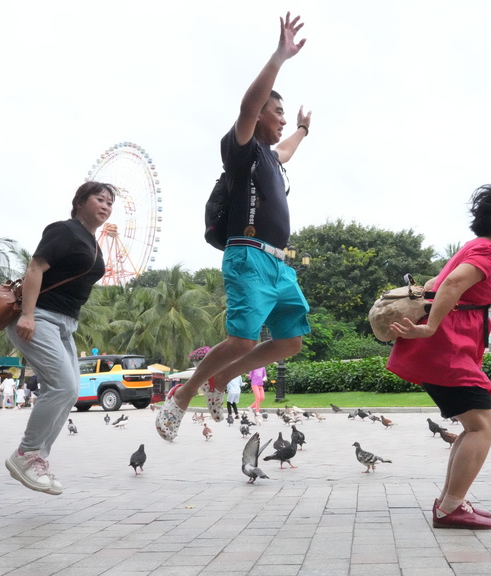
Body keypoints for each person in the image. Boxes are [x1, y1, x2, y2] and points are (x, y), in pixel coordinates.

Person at [155, 13, 312, 442]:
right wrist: (279, 57)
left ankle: (220, 379)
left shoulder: (271, 158)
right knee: (242, 340)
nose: (282, 120)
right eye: (277, 112)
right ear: (259, 115)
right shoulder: (242, 151)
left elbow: (287, 150)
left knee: (291, 341)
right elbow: (247, 108)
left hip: (279, 266)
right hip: (248, 256)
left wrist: (303, 129)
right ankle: (183, 394)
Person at [387, 185, 491, 530]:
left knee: (476, 426)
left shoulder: (472, 247)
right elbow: (450, 285)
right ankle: (450, 509)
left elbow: (437, 280)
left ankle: (450, 503)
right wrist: (431, 326)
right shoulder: (489, 252)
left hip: (445, 352)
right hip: (445, 352)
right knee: (485, 426)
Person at [4, 181, 113, 495]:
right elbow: (35, 268)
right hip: (40, 318)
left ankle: (37, 459)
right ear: (80, 202)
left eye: (110, 203)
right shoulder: (64, 231)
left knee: (71, 391)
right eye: (99, 199)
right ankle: (25, 454)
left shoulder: (91, 242)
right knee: (62, 386)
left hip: (65, 324)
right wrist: (27, 313)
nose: (106, 206)